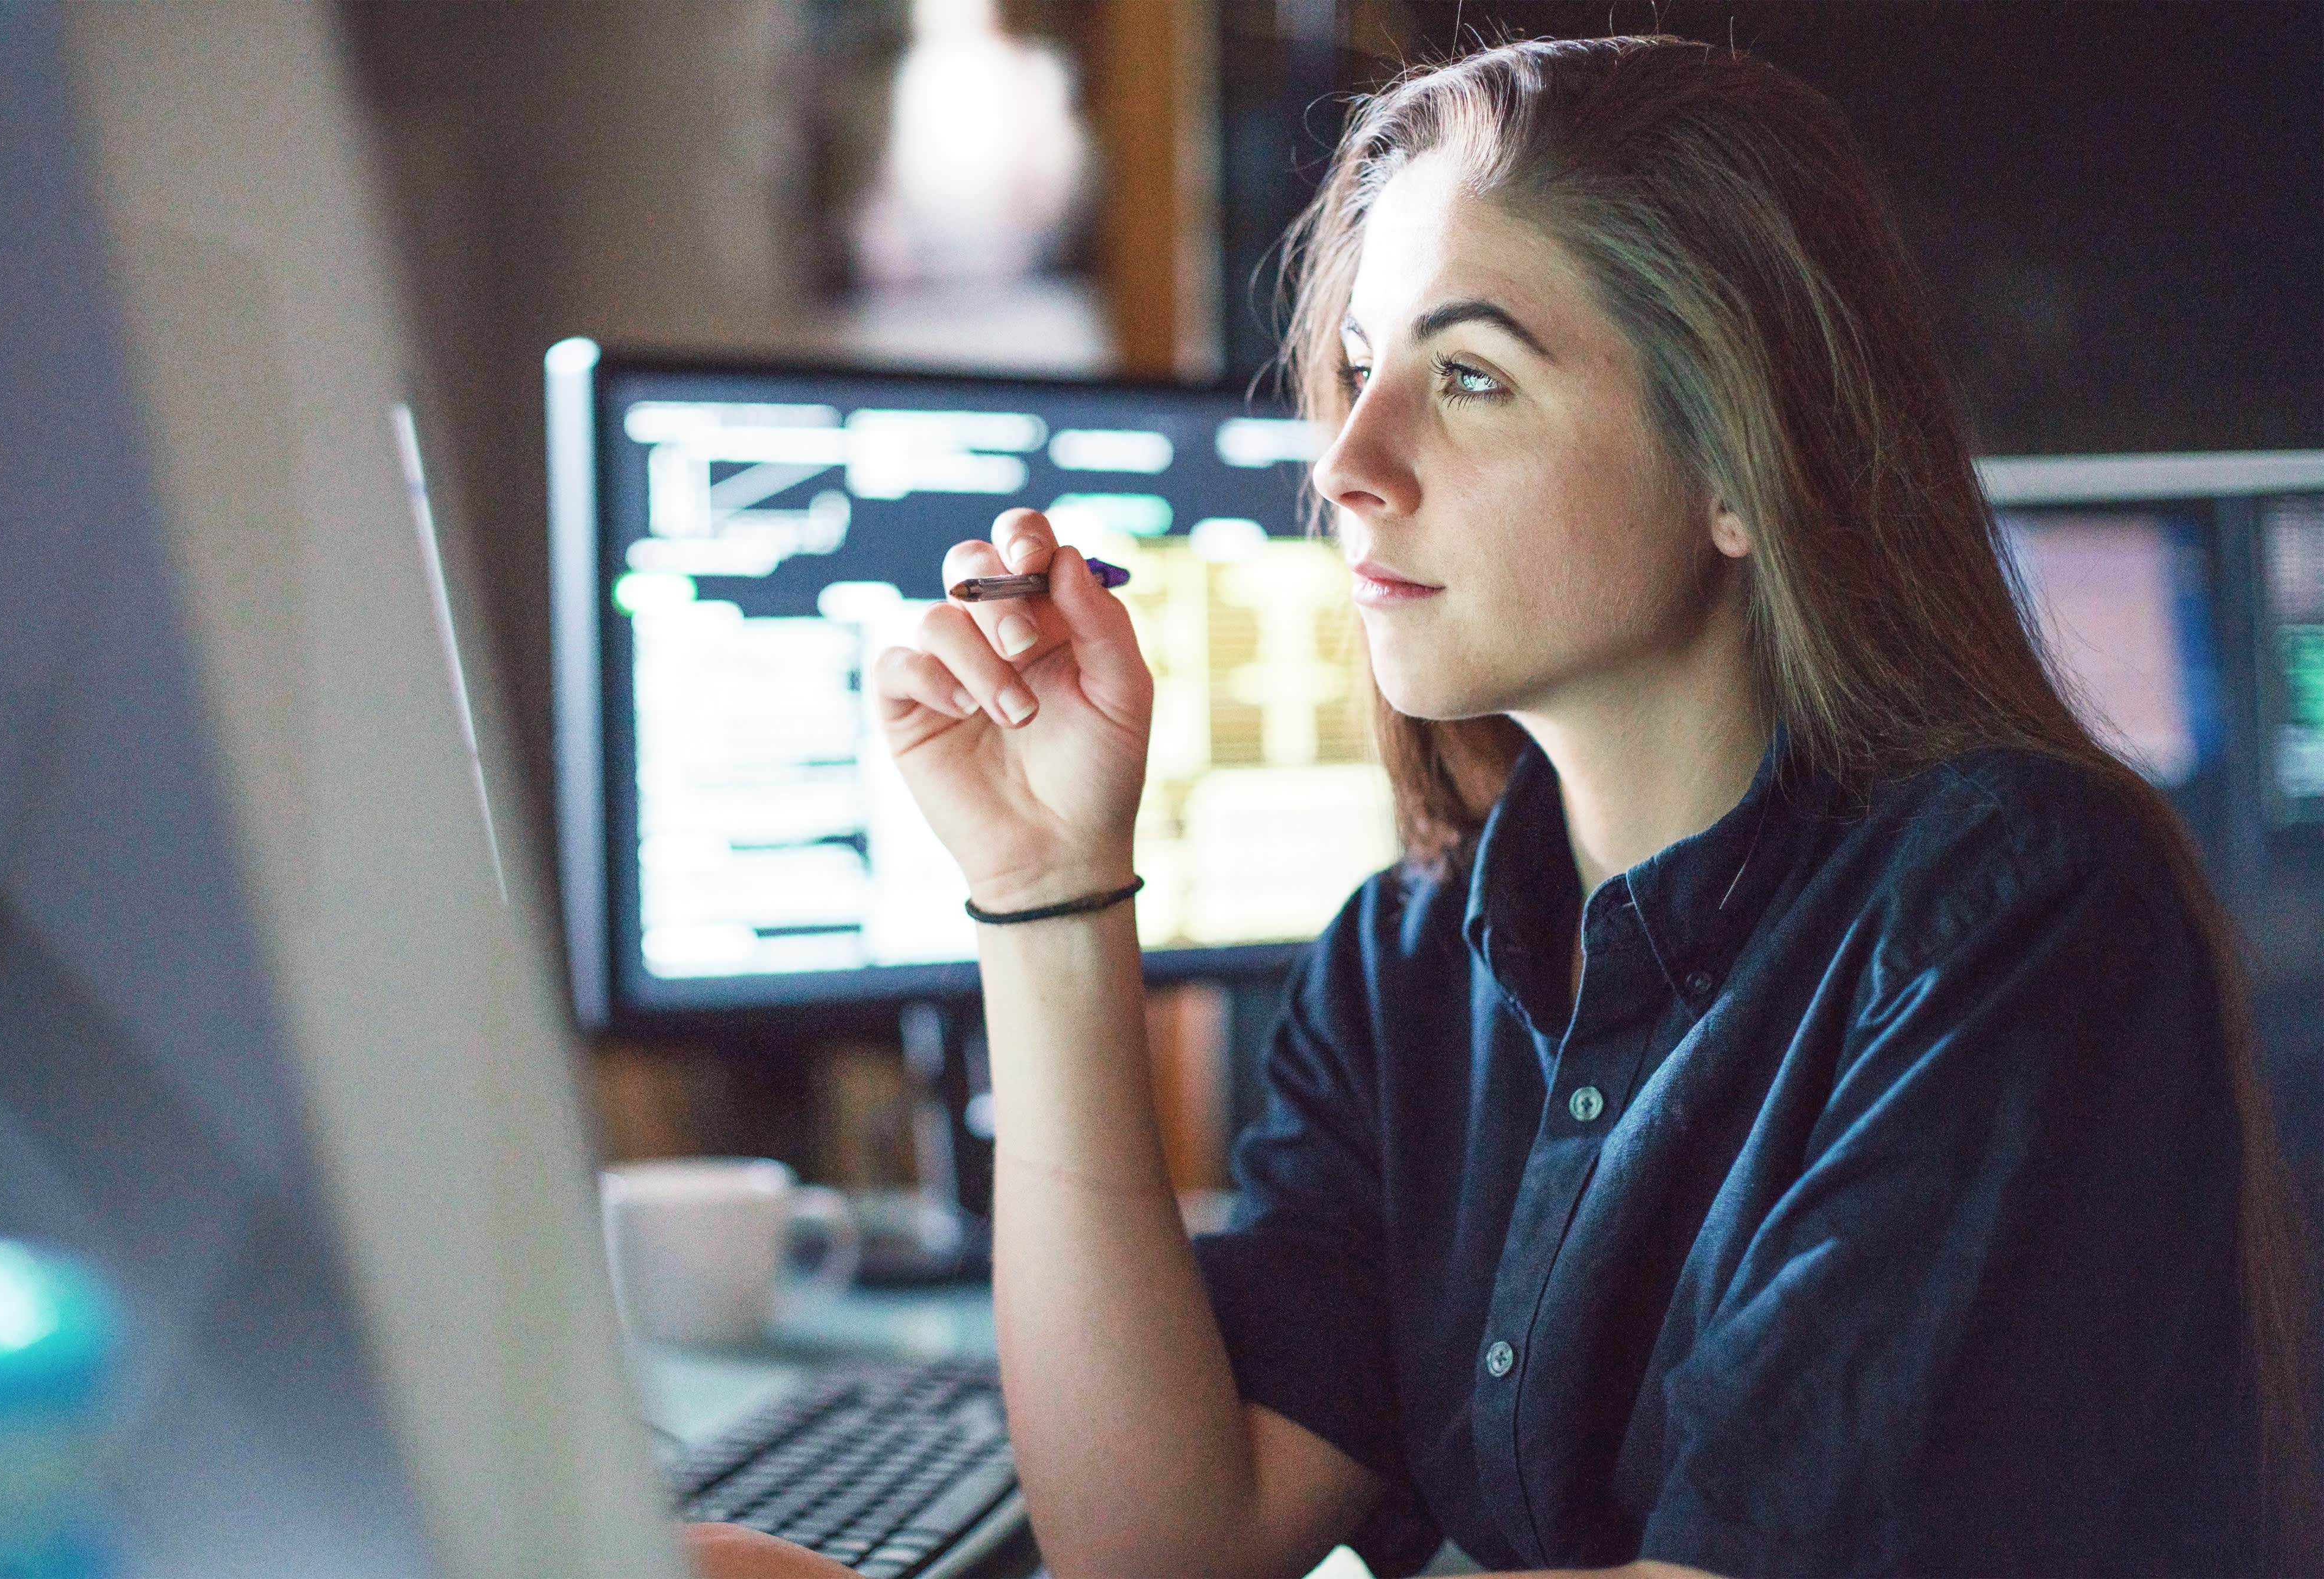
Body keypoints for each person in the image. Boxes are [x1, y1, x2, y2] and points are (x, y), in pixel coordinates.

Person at [690, 36, 2316, 1579]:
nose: (1346, 462)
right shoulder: (1405, 965)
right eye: (1353, 367)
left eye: (1470, 375)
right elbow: (1163, 1540)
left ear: (1741, 466)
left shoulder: (2015, 912)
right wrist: (1046, 889)